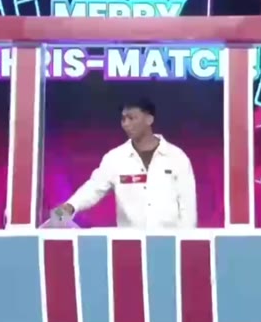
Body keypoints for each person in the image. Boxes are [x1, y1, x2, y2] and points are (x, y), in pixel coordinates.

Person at [53, 98, 198, 228]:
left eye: (131, 118)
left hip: (170, 243)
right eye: (123, 119)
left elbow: (188, 206)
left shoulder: (176, 157)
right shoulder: (115, 158)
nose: (126, 124)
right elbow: (93, 188)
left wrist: (186, 242)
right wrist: (70, 206)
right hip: (129, 244)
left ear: (149, 119)